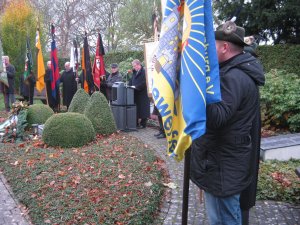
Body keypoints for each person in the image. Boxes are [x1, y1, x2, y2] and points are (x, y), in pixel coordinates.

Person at [190, 22, 265, 225]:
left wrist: (196, 90)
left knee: (223, 220)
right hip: (224, 164)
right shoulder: (235, 71)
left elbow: (217, 117)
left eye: (212, 44)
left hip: (222, 167)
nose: (209, 49)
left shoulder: (233, 77)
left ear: (224, 47)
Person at [128, 59, 150, 128]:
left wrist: (136, 87)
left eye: (134, 66)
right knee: (136, 109)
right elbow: (131, 80)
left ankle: (143, 124)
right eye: (133, 66)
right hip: (135, 93)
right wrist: (128, 85)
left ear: (138, 65)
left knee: (143, 109)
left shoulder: (144, 72)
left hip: (142, 93)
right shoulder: (134, 72)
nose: (133, 67)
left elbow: (145, 82)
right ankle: (136, 123)